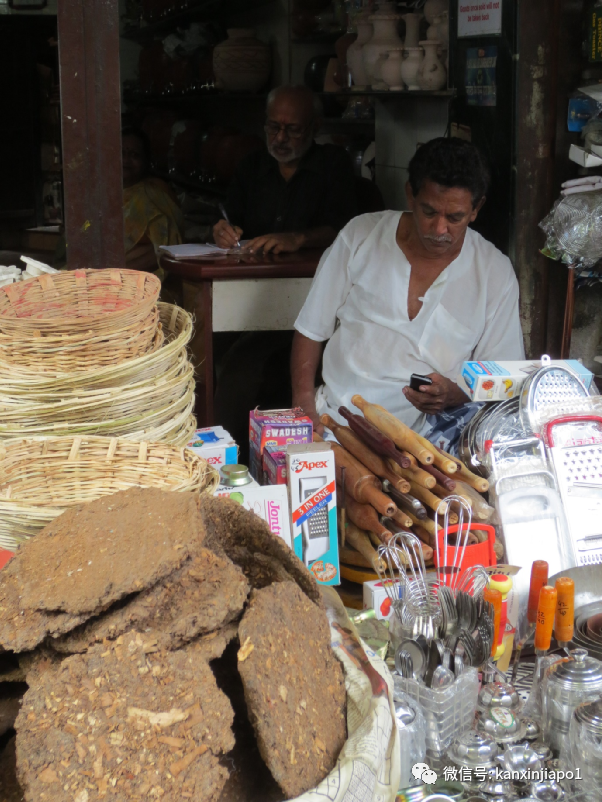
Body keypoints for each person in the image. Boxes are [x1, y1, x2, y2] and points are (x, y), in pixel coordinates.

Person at [291, 137, 525, 445]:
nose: (440, 229)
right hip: (338, 423)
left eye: (454, 218)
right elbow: (310, 328)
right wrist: (303, 405)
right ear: (410, 195)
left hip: (436, 440)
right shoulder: (361, 236)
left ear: (476, 209)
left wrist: (452, 395)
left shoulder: (494, 272)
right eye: (429, 212)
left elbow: (501, 378)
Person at [212, 85, 357, 254]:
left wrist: (298, 239)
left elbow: (345, 228)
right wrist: (222, 231)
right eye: (273, 127)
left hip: (311, 273)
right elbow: (229, 215)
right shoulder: (251, 166)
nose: (281, 138)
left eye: (293, 130)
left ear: (315, 127)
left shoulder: (333, 164)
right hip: (253, 270)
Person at [122, 127, 183, 275]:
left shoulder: (155, 192)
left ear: (145, 161)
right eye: (121, 153)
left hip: (142, 278)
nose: (126, 160)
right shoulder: (101, 192)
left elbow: (169, 243)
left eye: (134, 155)